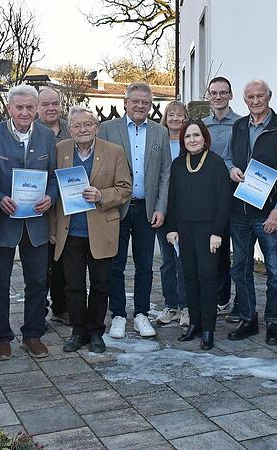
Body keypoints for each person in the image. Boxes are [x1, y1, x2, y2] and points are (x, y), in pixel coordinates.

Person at [0, 85, 58, 360]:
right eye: (19, 107)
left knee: (37, 281)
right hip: (4, 221)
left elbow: (54, 176)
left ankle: (32, 335)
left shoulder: (47, 136)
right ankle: (1, 337)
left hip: (36, 222)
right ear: (9, 108)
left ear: (36, 109)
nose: (25, 112)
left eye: (30, 107)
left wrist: (50, 197)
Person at [50, 106, 132, 353]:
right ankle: (78, 331)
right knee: (73, 285)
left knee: (100, 284)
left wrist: (101, 195)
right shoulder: (60, 149)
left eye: (87, 124)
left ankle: (96, 331)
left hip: (101, 229)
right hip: (70, 231)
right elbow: (52, 188)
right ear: (70, 129)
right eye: (76, 125)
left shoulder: (114, 151)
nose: (82, 129)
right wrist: (52, 228)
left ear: (96, 127)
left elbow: (125, 188)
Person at [222, 79, 277, 345]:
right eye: (250, 97)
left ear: (269, 96)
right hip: (240, 212)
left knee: (275, 271)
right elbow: (227, 158)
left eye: (260, 96)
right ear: (244, 100)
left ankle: (273, 321)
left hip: (269, 213)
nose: (255, 101)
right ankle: (248, 318)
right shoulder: (239, 126)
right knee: (240, 268)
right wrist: (231, 169)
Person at [98, 82, 171, 339]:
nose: (140, 106)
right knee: (115, 264)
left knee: (145, 265)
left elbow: (165, 174)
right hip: (116, 207)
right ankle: (118, 314)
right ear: (125, 103)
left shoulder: (160, 132)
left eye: (145, 102)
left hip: (147, 208)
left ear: (151, 105)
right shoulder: (107, 129)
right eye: (136, 101)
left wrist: (161, 207)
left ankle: (141, 314)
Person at [166, 120, 231, 350]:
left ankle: (208, 329)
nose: (192, 140)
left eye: (196, 135)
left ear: (204, 138)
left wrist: (217, 232)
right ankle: (195, 323)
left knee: (207, 277)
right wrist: (171, 227)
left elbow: (224, 200)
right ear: (182, 140)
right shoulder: (177, 164)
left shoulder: (216, 163)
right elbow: (172, 198)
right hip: (184, 229)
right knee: (190, 277)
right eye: (187, 136)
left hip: (208, 231)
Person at [202, 76, 242, 319]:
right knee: (216, 249)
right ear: (208, 96)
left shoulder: (240, 124)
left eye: (223, 92)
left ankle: (240, 301)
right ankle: (221, 298)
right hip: (208, 197)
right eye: (214, 93)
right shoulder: (201, 126)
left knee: (239, 250)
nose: (218, 97)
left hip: (235, 193)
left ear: (230, 95)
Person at [36, 87, 70, 326]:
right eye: (45, 104)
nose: (51, 108)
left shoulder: (71, 129)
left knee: (64, 261)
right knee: (41, 265)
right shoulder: (33, 131)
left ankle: (62, 307)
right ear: (38, 107)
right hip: (40, 205)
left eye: (55, 103)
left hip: (68, 205)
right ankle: (39, 311)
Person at [155, 100, 188, 327]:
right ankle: (171, 305)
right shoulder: (158, 143)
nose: (175, 119)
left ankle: (186, 306)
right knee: (168, 261)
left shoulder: (190, 142)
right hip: (163, 210)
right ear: (165, 118)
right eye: (171, 115)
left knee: (183, 260)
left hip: (186, 211)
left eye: (180, 115)